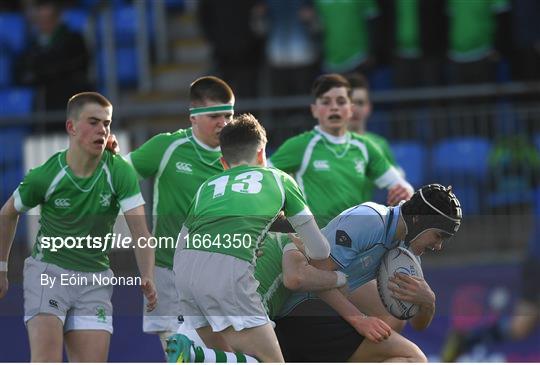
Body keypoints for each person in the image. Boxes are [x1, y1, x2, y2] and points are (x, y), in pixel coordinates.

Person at [0, 92, 157, 362]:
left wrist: (149, 275)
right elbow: (6, 214)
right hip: (48, 273)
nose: (102, 130)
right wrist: (1, 268)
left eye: (106, 123)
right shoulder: (46, 175)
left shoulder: (119, 172)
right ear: (71, 127)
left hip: (94, 281)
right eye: (93, 122)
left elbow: (141, 233)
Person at [173, 113, 334, 362]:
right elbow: (319, 250)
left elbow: (183, 242)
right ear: (262, 154)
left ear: (223, 163)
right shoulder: (279, 179)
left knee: (229, 356)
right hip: (227, 276)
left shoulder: (207, 186)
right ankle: (199, 356)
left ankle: (205, 357)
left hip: (184, 275)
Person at [275, 183, 463, 362]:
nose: (438, 246)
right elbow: (315, 278)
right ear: (418, 220)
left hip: (322, 314)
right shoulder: (369, 220)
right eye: (438, 236)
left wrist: (428, 302)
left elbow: (418, 325)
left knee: (393, 321)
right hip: (300, 313)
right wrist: (359, 320)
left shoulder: (406, 250)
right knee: (413, 358)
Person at [126, 76, 233, 353]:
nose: (223, 122)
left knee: (225, 356)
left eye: (228, 115)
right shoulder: (166, 147)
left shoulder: (242, 156)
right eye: (214, 115)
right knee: (179, 355)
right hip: (168, 275)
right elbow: (118, 178)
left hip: (220, 274)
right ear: (193, 117)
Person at [269, 73, 413, 227]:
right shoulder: (300, 145)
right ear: (314, 110)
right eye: (326, 102)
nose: (334, 107)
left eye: (341, 101)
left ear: (350, 109)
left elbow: (402, 186)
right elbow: (263, 176)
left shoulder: (366, 146)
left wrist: (404, 191)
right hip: (317, 238)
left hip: (357, 236)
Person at [15, 0, 91, 119]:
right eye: (41, 20)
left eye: (48, 19)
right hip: (43, 106)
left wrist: (43, 72)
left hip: (69, 103)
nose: (44, 24)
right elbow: (22, 74)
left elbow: (76, 67)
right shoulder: (31, 46)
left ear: (57, 16)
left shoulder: (73, 40)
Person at [345, 72, 402, 201]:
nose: (355, 109)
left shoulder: (379, 144)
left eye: (360, 103)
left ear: (368, 108)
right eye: (350, 103)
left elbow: (398, 185)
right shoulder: (322, 143)